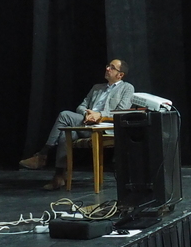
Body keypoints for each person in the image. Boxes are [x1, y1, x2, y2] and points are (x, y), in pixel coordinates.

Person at [20, 59, 133, 190]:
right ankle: (59, 176)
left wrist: (99, 115)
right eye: (108, 66)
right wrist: (87, 113)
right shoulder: (97, 88)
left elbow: (121, 112)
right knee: (65, 132)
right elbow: (81, 106)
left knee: (64, 115)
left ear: (120, 75)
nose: (107, 69)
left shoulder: (127, 88)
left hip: (103, 128)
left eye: (112, 67)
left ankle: (43, 155)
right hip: (85, 123)